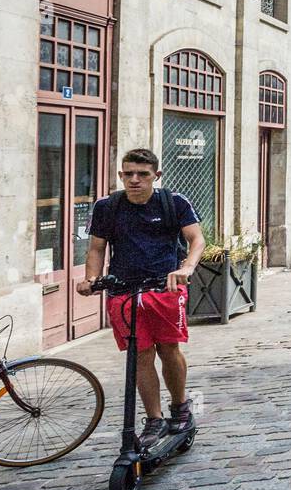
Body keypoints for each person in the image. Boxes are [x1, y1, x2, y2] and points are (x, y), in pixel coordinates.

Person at [79, 148, 204, 449]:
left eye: (142, 174)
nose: (134, 180)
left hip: (165, 287)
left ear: (156, 176)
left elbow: (196, 239)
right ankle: (154, 418)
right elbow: (97, 247)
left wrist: (186, 267)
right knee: (140, 354)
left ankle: (180, 406)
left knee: (169, 349)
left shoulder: (173, 202)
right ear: (121, 175)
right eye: (128, 174)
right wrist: (92, 278)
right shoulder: (107, 207)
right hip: (123, 288)